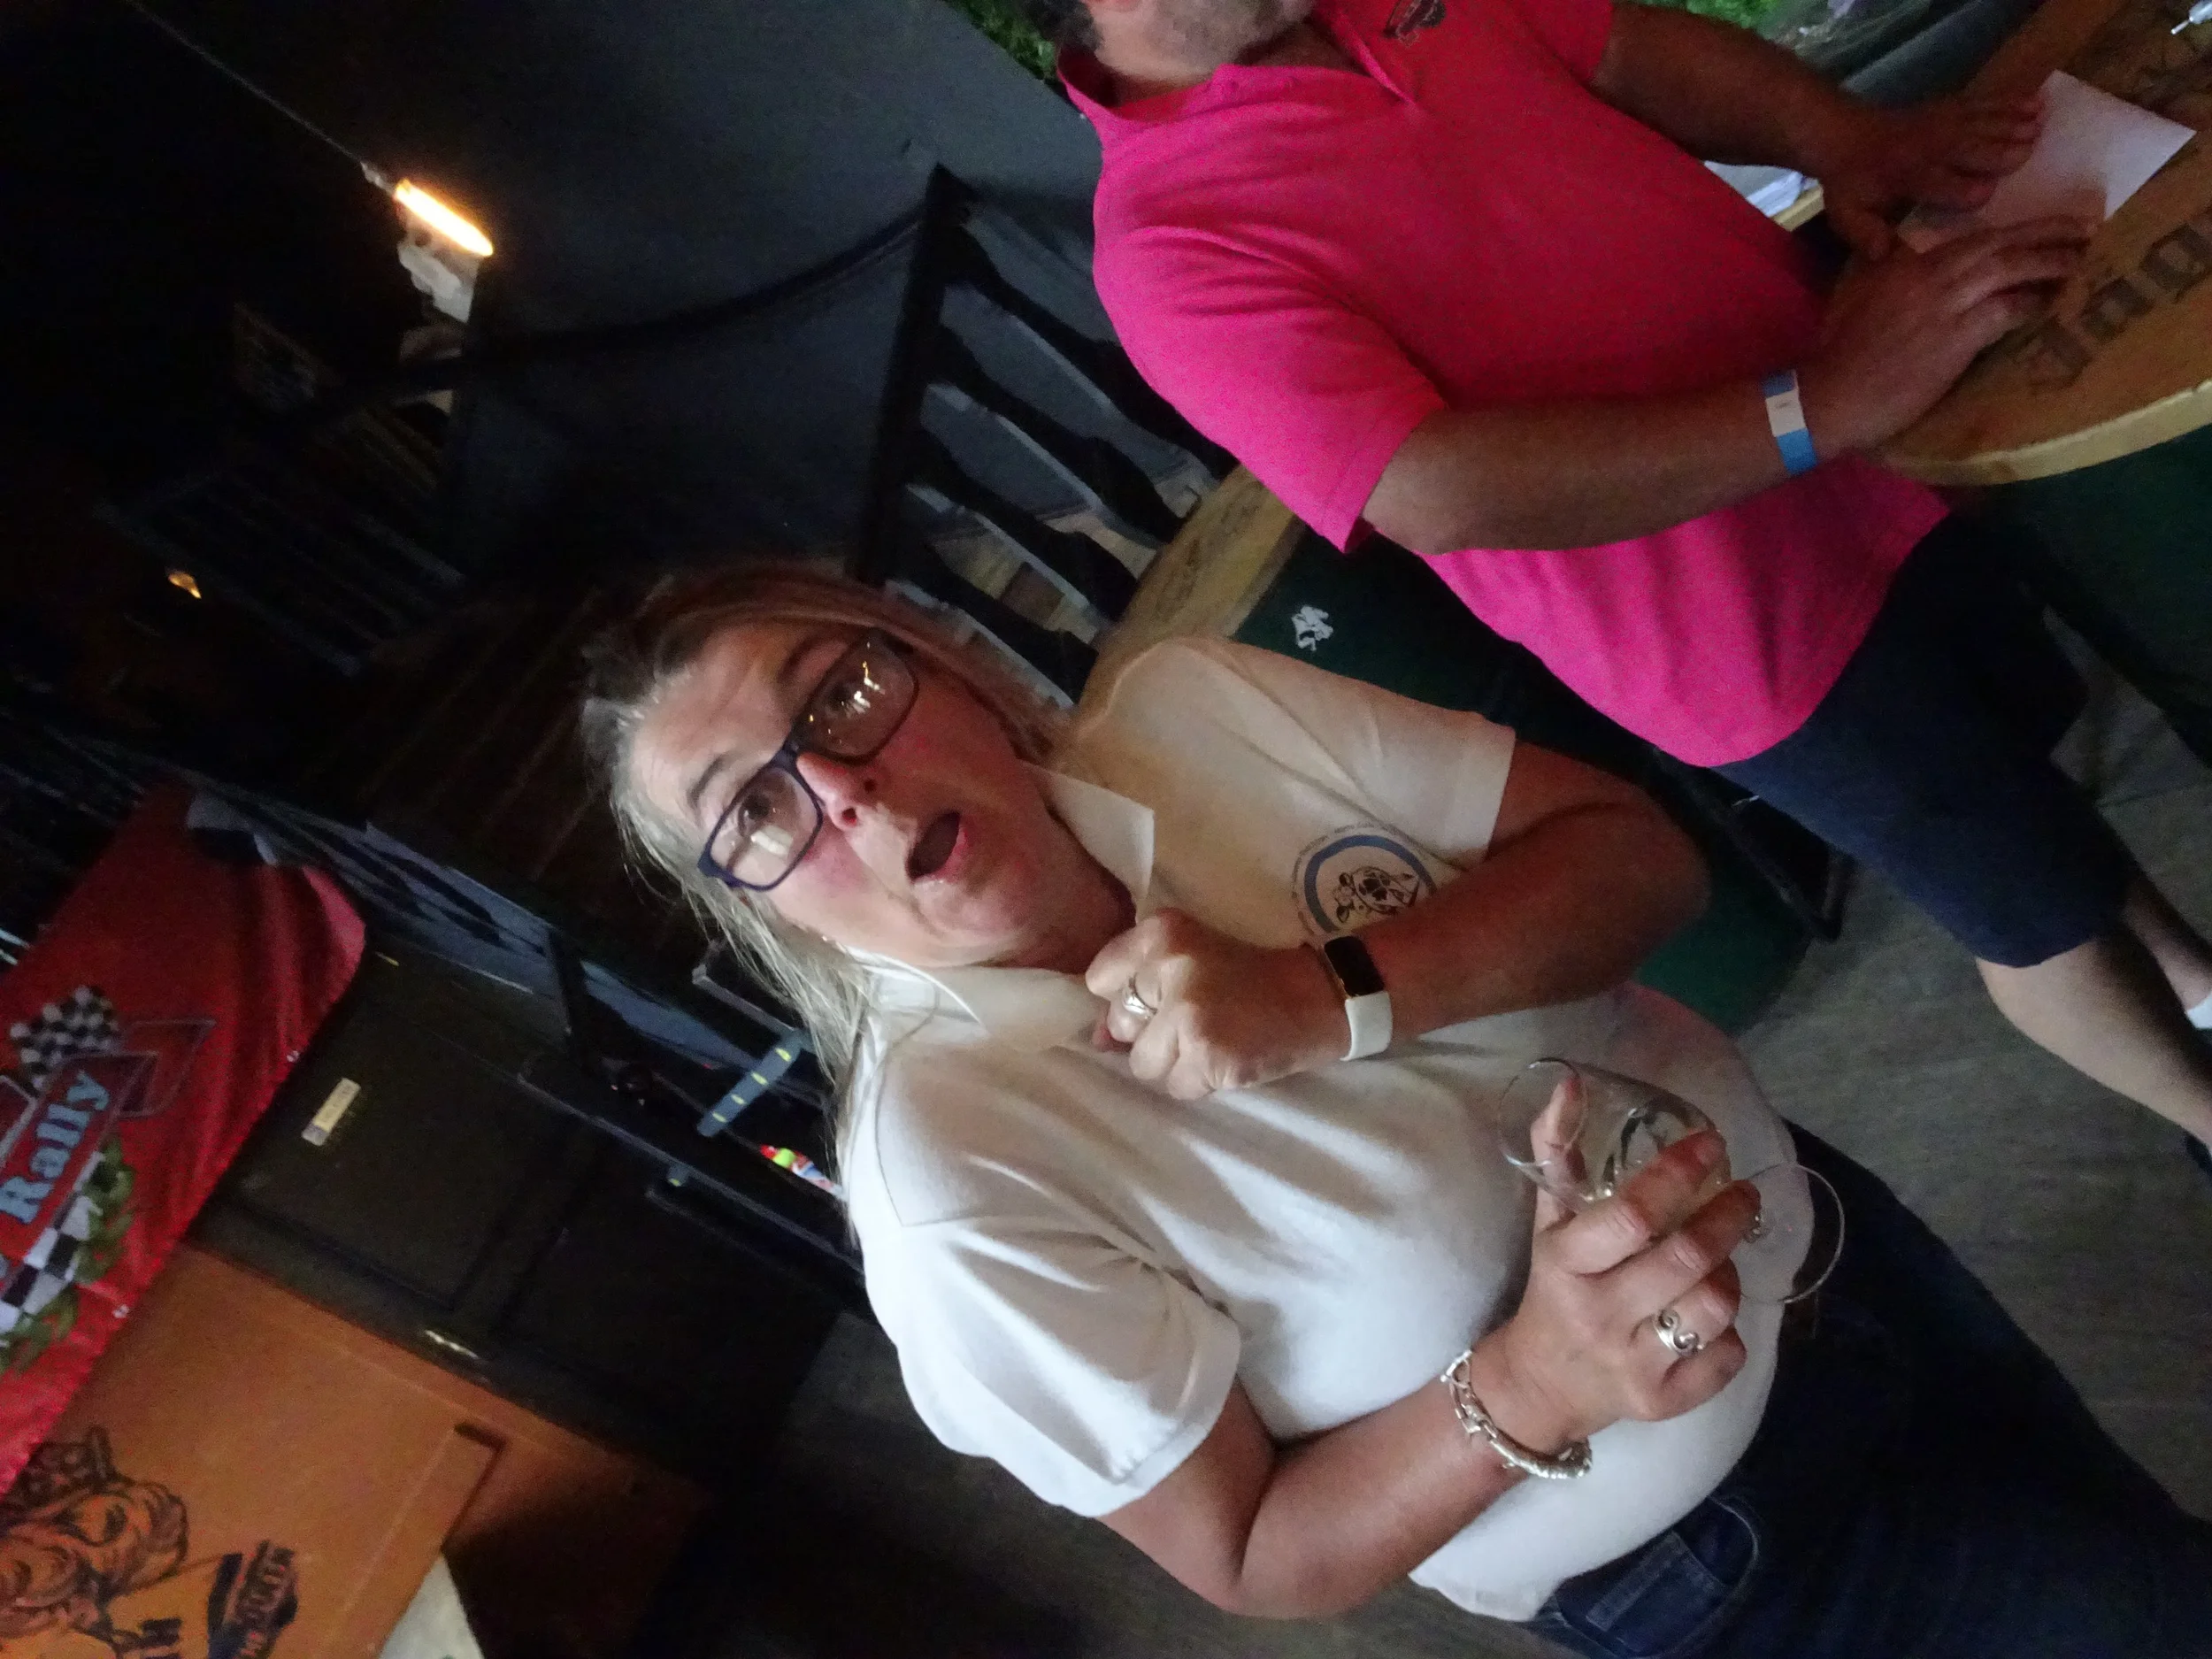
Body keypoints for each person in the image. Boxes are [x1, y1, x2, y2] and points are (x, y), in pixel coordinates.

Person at [581, 565, 2212, 1656]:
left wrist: (1328, 992)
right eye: (758, 814)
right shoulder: (947, 1178)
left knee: (2152, 1546)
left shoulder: (1197, 712)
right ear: (763, 908)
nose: (841, 789)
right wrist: (1537, 1378)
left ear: (940, 664)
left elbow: (1643, 862)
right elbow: (1252, 1555)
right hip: (1734, 1547)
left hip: (1848, 1259)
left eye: (840, 696)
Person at [1032, 0, 2212, 1169]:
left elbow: (1630, 49)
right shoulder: (1169, 250)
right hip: (1741, 629)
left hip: (1878, 463)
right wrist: (1820, 405)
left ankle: (2196, 982)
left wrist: (1848, 139)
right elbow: (1435, 488)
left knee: (2032, 797)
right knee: (2025, 911)